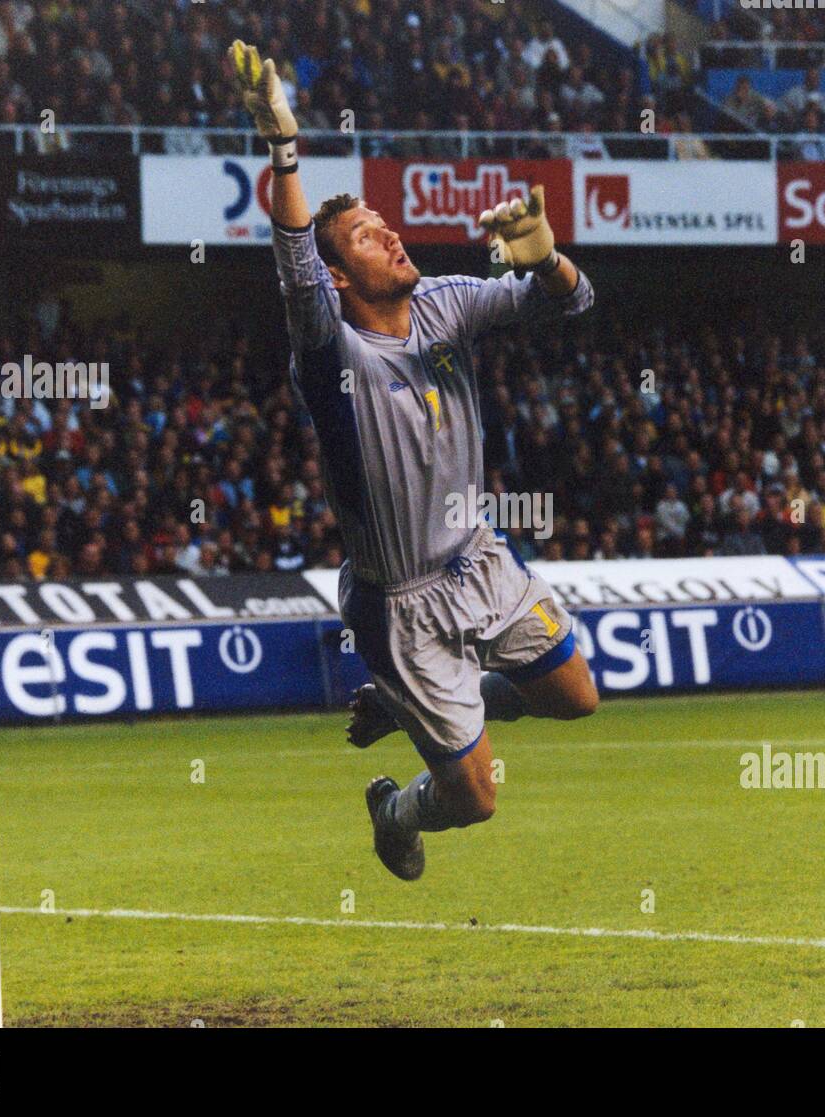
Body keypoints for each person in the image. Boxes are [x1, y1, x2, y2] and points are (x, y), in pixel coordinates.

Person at [230, 42, 600, 881]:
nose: (390, 236)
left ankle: (419, 707)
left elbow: (573, 303)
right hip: (398, 603)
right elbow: (291, 262)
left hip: (479, 559)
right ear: (336, 276)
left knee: (577, 697)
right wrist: (284, 146)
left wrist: (546, 257)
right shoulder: (328, 348)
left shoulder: (445, 305)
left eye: (386, 224)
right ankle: (393, 808)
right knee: (474, 799)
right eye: (366, 236)